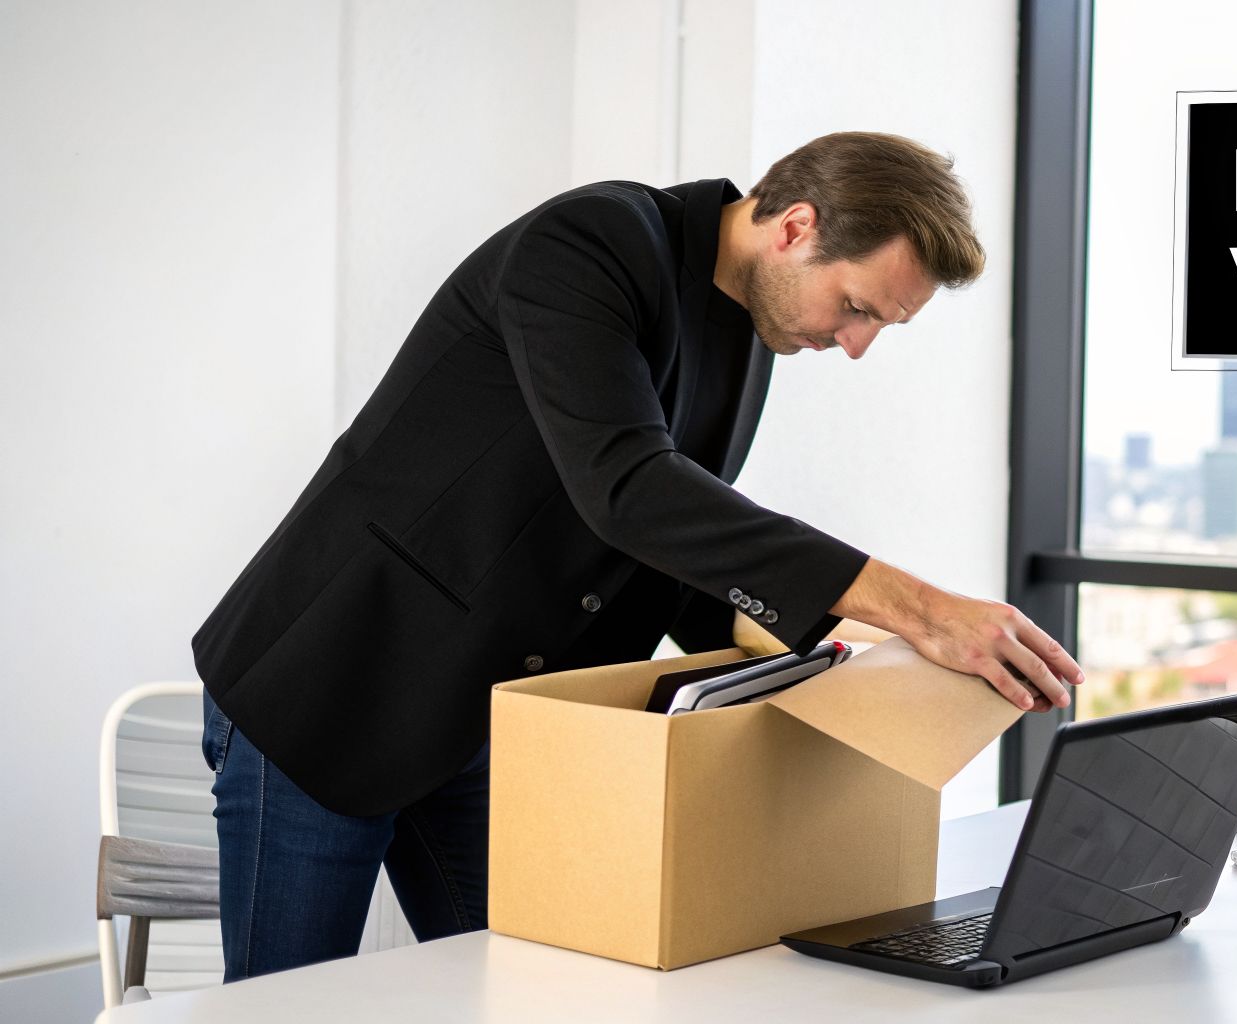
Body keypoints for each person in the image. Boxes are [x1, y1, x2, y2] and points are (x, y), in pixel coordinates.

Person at [190, 131, 1083, 981]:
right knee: (283, 1004)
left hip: (497, 720)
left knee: (542, 992)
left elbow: (675, 560)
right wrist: (922, 608)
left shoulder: (752, 328)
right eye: (855, 308)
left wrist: (872, 659)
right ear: (795, 224)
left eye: (880, 325)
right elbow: (629, 490)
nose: (855, 345)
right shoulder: (591, 241)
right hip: (335, 681)